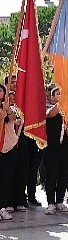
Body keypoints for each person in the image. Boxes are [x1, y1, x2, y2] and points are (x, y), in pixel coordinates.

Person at [43, 86, 68, 215]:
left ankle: (60, 201)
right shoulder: (48, 107)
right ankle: (51, 203)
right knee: (52, 175)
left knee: (64, 175)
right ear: (52, 97)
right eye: (57, 94)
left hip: (67, 147)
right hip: (52, 147)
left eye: (62, 94)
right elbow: (50, 114)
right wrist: (63, 101)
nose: (60, 96)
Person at [0, 84, 19, 220]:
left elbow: (15, 120)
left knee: (6, 179)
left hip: (9, 147)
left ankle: (2, 207)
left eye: (1, 90)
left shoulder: (10, 108)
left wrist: (8, 112)